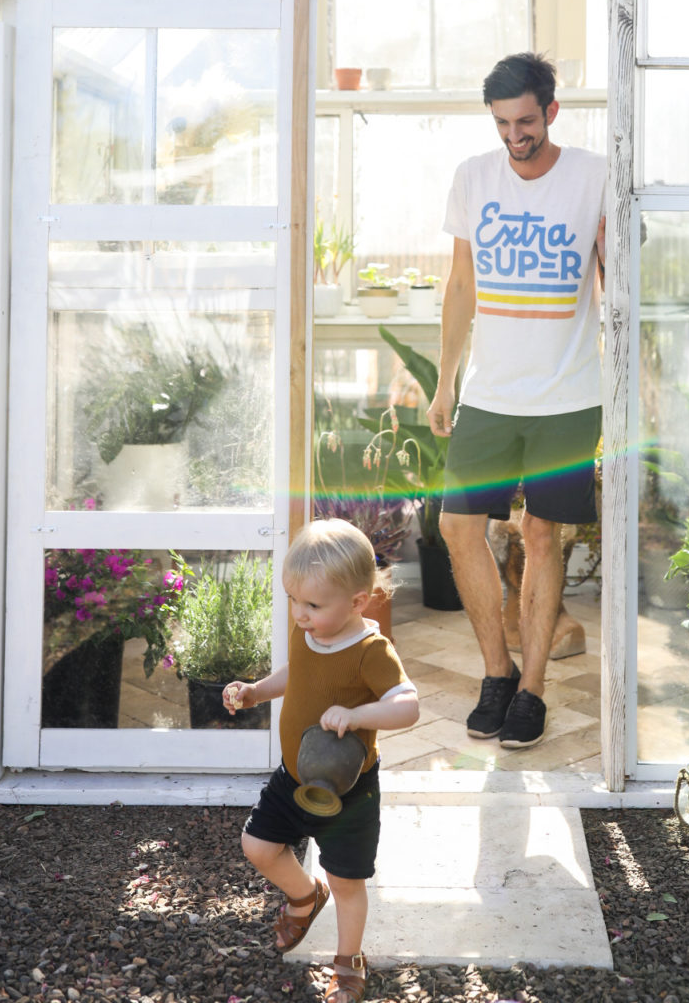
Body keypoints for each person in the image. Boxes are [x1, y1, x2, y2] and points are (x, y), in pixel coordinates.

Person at [427, 51, 607, 750]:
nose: (514, 136)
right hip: (491, 396)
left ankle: (530, 690)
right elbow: (461, 284)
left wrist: (612, 244)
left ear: (551, 111)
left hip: (567, 394)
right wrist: (446, 379)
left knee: (540, 535)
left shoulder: (593, 175)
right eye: (502, 123)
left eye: (526, 121)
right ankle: (495, 673)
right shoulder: (473, 177)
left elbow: (618, 276)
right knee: (457, 527)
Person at [225, 518, 419, 1003]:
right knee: (258, 845)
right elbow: (298, 672)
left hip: (349, 792)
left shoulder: (371, 651)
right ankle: (305, 895)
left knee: (348, 880)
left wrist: (357, 715)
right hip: (294, 776)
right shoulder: (308, 631)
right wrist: (255, 692)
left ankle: (348, 961)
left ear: (357, 602)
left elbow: (408, 705)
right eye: (294, 599)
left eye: (312, 604)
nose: (300, 613)